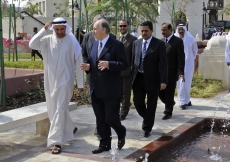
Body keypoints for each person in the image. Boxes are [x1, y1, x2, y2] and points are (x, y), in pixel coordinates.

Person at [29, 17, 84, 154]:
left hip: (66, 81)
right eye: (57, 29)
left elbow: (79, 63)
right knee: (54, 109)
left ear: (66, 28)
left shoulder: (72, 42)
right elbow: (31, 44)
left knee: (59, 109)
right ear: (53, 28)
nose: (59, 32)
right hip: (50, 81)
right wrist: (44, 30)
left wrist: (80, 83)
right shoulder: (47, 40)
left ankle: (56, 142)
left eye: (62, 29)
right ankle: (70, 127)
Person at [80, 19, 127, 154]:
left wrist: (109, 64)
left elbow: (124, 64)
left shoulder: (117, 45)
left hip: (111, 89)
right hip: (96, 89)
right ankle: (104, 144)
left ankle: (121, 131)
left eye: (95, 28)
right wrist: (88, 66)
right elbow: (91, 62)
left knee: (110, 118)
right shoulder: (94, 45)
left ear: (104, 30)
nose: (92, 31)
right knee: (100, 119)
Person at [81, 14, 116, 137]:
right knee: (97, 106)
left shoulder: (113, 39)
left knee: (106, 108)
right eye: (94, 25)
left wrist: (109, 64)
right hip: (93, 77)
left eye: (97, 26)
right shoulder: (87, 37)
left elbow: (120, 62)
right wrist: (87, 64)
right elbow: (84, 52)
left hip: (106, 79)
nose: (94, 29)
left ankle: (106, 130)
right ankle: (100, 129)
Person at [132, 21, 168, 138]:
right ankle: (147, 117)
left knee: (151, 104)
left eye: (146, 31)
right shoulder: (136, 43)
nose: (143, 33)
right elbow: (134, 61)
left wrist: (163, 80)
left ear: (152, 31)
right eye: (142, 31)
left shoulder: (159, 44)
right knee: (137, 102)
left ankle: (147, 128)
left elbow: (163, 63)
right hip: (138, 78)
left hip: (153, 79)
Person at [159, 23, 185, 120]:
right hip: (161, 73)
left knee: (169, 92)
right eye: (162, 30)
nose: (162, 32)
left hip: (172, 72)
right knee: (160, 92)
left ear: (170, 30)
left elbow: (181, 58)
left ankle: (168, 112)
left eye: (164, 30)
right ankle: (170, 103)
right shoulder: (160, 42)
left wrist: (180, 72)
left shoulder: (177, 42)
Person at [175, 24, 198, 109]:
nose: (180, 31)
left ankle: (187, 100)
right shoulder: (175, 39)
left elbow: (195, 52)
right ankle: (182, 102)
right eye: (179, 30)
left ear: (185, 30)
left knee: (187, 83)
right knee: (180, 82)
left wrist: (191, 61)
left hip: (188, 64)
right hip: (178, 64)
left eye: (182, 30)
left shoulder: (191, 39)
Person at [118, 19, 137, 120]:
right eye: (120, 26)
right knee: (119, 92)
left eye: (124, 26)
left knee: (126, 92)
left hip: (126, 71)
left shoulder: (133, 40)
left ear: (128, 27)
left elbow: (134, 56)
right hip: (116, 71)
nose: (122, 28)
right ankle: (126, 105)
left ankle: (123, 112)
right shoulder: (116, 38)